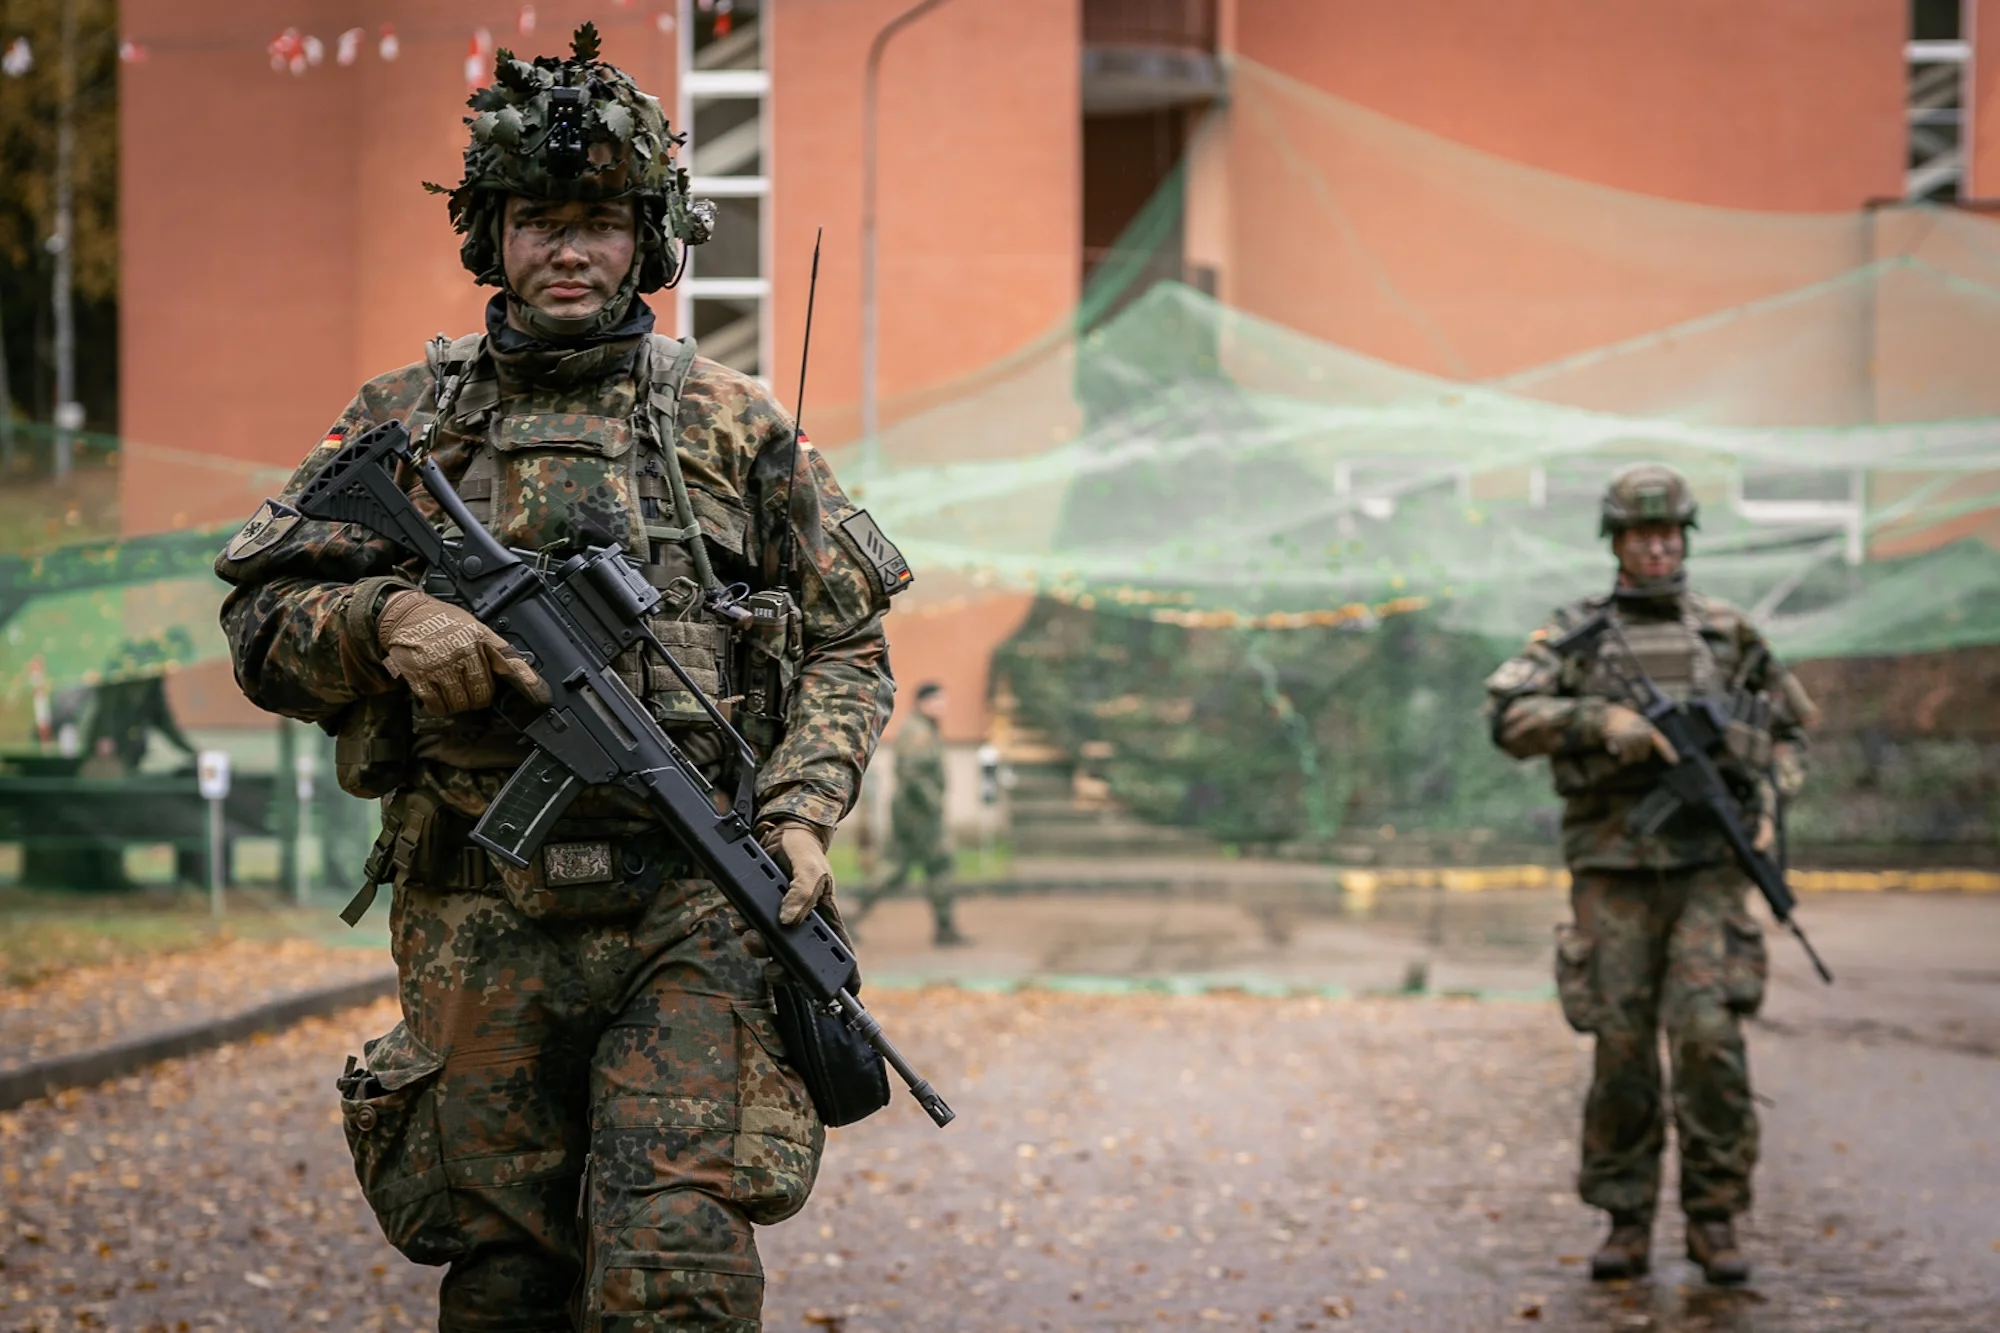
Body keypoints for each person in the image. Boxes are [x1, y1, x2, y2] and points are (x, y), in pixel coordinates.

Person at [213, 27, 906, 1330]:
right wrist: (385, 619)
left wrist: (804, 809)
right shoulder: (404, 422)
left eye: (597, 222)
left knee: (674, 1265)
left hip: (693, 902)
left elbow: (845, 642)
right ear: (492, 235)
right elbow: (259, 621)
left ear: (647, 238)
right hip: (478, 907)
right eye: (539, 221)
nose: (569, 252)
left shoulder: (734, 422)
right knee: (504, 1280)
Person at [1483, 463, 1816, 1287]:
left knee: (1707, 1036)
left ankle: (1715, 1216)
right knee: (1623, 1046)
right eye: (1641, 534)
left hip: (1708, 867)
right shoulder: (1576, 632)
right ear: (1617, 542)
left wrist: (1772, 796)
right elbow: (1509, 714)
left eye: (1668, 533)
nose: (1657, 547)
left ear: (1684, 537)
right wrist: (1602, 720)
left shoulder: (1728, 633)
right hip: (1613, 868)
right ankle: (1625, 1217)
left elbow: (1791, 728)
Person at [849, 682, 965, 946]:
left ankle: (849, 915)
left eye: (943, 701)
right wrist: (933, 803)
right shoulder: (918, 732)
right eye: (936, 701)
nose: (941, 707)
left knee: (894, 867)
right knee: (939, 865)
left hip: (911, 809)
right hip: (918, 811)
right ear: (922, 703)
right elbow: (913, 775)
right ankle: (945, 928)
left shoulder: (923, 729)